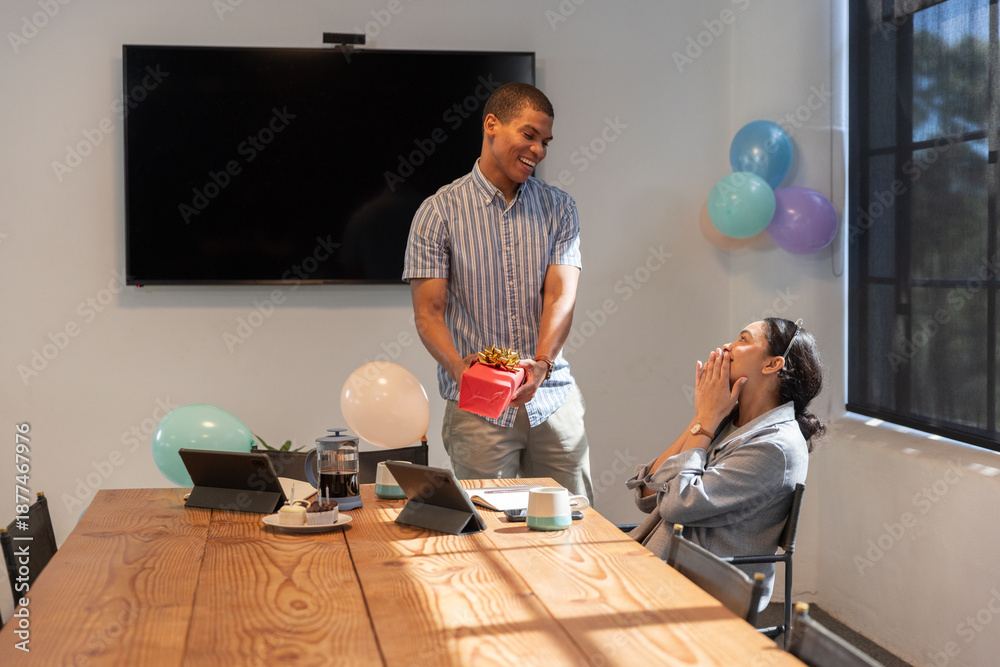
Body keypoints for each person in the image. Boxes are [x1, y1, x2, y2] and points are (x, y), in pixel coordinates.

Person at [403, 82, 593, 502]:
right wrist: (458, 368)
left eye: (545, 141)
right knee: (488, 541)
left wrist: (541, 365)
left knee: (574, 531)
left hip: (552, 397)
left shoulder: (560, 208)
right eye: (529, 135)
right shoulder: (438, 213)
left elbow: (560, 297)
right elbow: (428, 314)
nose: (538, 150)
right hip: (478, 408)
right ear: (492, 125)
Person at [626, 317, 824, 610]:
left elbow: (676, 505)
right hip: (657, 569)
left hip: (696, 592)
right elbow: (646, 496)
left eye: (743, 340)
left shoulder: (776, 447)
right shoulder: (727, 418)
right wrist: (702, 419)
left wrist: (705, 420)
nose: (727, 347)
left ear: (772, 365)